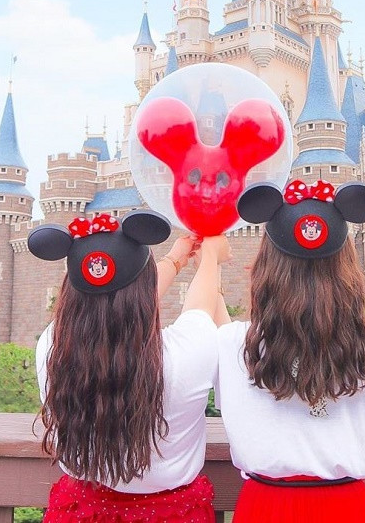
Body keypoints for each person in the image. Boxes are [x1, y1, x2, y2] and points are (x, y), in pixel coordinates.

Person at [215, 180, 365, 522]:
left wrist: (206, 260)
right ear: (348, 266)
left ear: (266, 266)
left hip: (265, 508)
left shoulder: (231, 345)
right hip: (348, 509)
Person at [29, 211, 231, 522]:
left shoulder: (52, 347)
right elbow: (200, 307)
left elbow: (110, 302)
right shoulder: (183, 354)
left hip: (82, 512)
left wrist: (175, 259)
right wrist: (210, 259)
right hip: (171, 514)